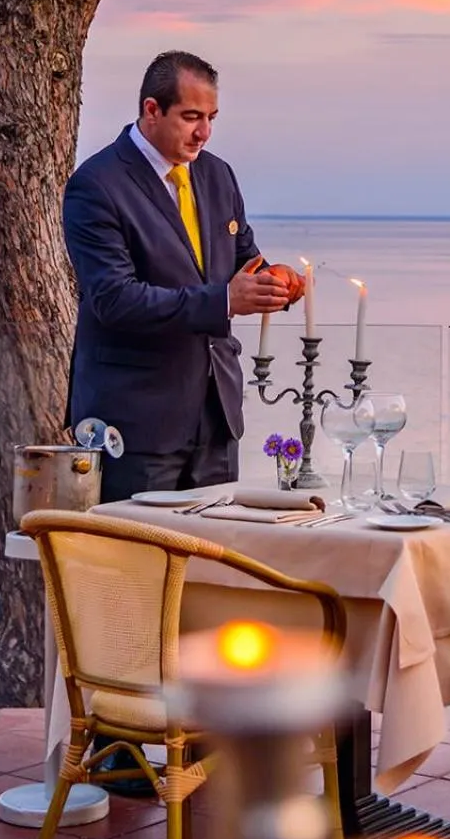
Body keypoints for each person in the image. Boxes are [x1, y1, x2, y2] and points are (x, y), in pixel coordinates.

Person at [63, 50, 301, 502]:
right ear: (152, 110)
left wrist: (275, 281)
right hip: (135, 426)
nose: (204, 132)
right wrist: (225, 301)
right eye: (191, 117)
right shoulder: (96, 184)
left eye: (211, 118)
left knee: (217, 547)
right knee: (138, 550)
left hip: (216, 418)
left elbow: (243, 261)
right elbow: (114, 299)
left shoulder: (218, 175)